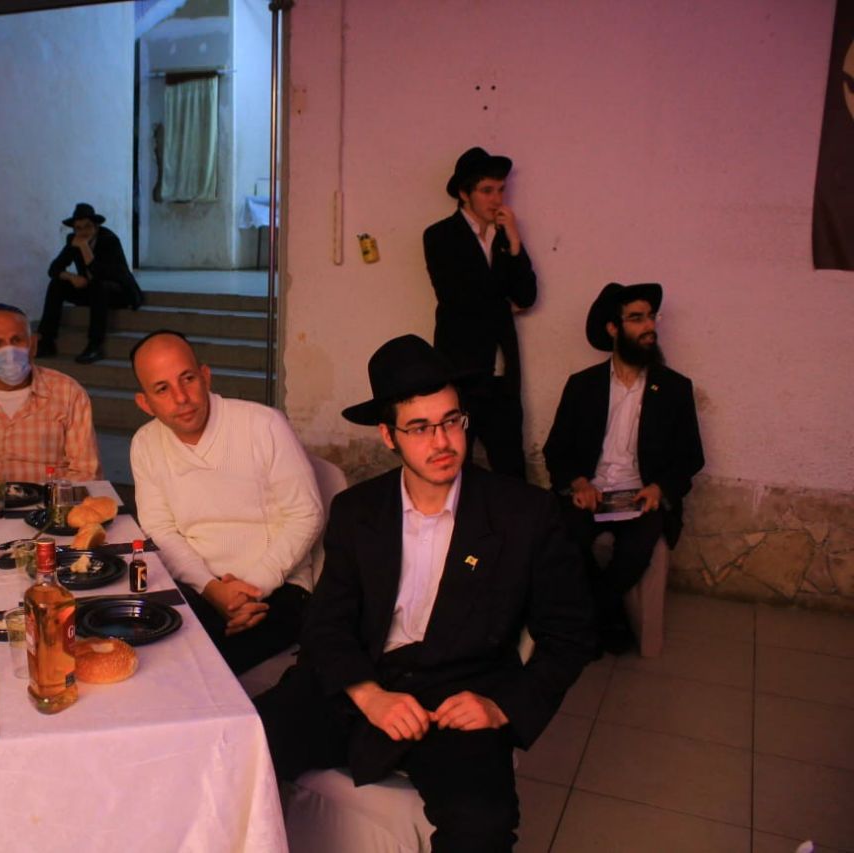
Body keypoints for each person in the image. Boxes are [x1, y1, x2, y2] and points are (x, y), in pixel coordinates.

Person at [254, 334, 594, 852]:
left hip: (458, 693)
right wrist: (368, 695)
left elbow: (571, 634)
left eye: (452, 421)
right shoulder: (358, 511)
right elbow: (326, 622)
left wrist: (503, 707)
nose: (442, 442)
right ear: (388, 436)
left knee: (482, 827)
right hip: (360, 679)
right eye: (419, 428)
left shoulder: (524, 514)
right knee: (242, 748)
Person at [130, 330, 323, 674]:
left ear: (205, 376)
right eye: (162, 389)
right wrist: (212, 589)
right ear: (145, 403)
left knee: (201, 670)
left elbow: (306, 514)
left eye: (188, 379)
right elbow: (160, 530)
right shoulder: (145, 444)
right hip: (197, 586)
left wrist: (249, 590)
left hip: (277, 587)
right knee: (148, 657)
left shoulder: (263, 425)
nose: (181, 398)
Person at [543, 283, 704, 653]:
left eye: (651, 317)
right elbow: (556, 449)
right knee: (564, 538)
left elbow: (690, 456)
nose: (649, 326)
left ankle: (592, 617)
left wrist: (660, 489)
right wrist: (579, 482)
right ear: (613, 329)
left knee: (637, 549)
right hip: (591, 492)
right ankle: (609, 618)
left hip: (643, 495)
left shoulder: (675, 388)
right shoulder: (583, 386)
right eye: (636, 318)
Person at [422, 146, 536, 480]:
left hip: (501, 371)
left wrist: (514, 241)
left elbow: (526, 296)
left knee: (511, 466)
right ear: (464, 193)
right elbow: (457, 298)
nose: (497, 199)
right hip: (460, 370)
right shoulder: (440, 235)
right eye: (487, 191)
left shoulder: (504, 237)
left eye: (501, 190)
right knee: (456, 463)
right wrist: (503, 302)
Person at [0, 303, 102, 488]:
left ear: (33, 345)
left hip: (49, 502)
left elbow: (85, 471)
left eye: (17, 340)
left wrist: (53, 502)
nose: (10, 352)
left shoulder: (69, 393)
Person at [36, 203, 144, 365]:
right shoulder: (74, 241)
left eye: (87, 226)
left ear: (96, 227)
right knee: (56, 284)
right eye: (78, 228)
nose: (83, 232)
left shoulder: (109, 240)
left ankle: (95, 345)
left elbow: (100, 273)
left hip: (118, 292)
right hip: (93, 291)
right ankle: (46, 341)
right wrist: (71, 277)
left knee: (99, 286)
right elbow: (54, 269)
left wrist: (84, 247)